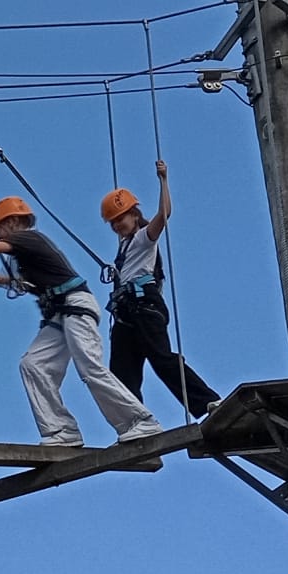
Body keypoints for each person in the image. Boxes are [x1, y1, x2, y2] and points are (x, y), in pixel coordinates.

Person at [0, 197, 163, 447]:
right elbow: (22, 283)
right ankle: (62, 430)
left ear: (14, 222)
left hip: (75, 307)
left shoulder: (27, 238)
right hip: (62, 312)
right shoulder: (27, 252)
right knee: (33, 365)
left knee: (89, 367)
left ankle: (140, 421)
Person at [103, 160, 221, 418]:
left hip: (144, 306)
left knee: (162, 359)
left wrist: (164, 180)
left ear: (134, 213)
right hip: (127, 312)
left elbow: (164, 213)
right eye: (112, 222)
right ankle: (135, 423)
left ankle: (207, 401)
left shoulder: (144, 237)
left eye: (120, 218)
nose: (117, 225)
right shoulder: (123, 248)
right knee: (122, 373)